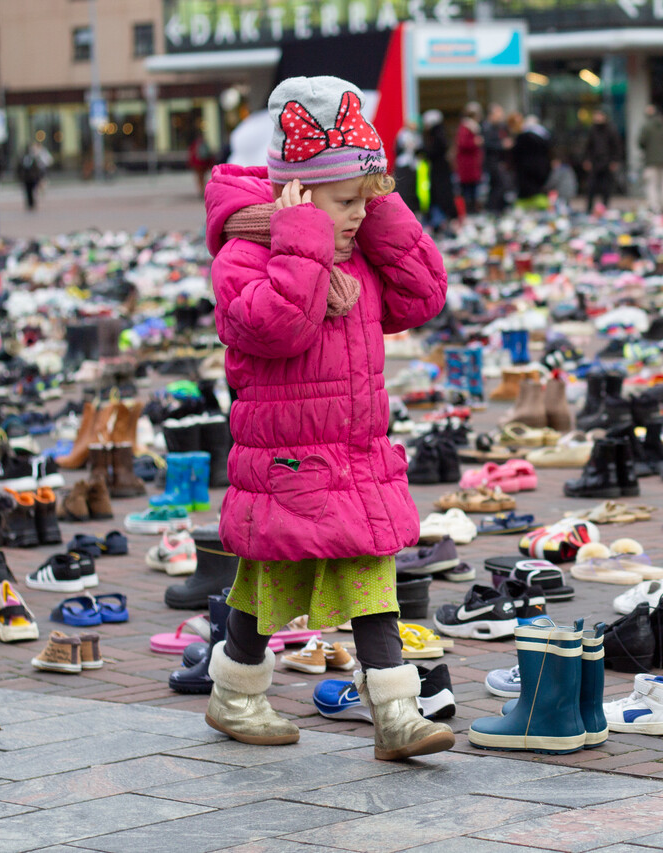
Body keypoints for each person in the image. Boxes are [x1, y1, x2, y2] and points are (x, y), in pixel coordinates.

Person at [202, 75, 452, 761]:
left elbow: (424, 294)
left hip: (356, 448)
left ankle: (395, 711)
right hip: (287, 458)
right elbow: (277, 325)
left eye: (361, 202)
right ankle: (237, 692)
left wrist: (384, 208)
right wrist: (303, 239)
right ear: (299, 193)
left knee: (373, 572)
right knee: (268, 576)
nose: (354, 217)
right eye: (344, 203)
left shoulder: (361, 250)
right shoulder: (245, 251)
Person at [421, 110, 456, 229]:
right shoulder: (441, 133)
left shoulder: (435, 135)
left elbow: (434, 151)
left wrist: (423, 152)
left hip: (438, 170)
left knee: (438, 194)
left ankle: (439, 220)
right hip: (441, 169)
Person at [582, 109, 622, 214]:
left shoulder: (611, 130)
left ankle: (604, 208)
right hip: (594, 162)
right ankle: (589, 208)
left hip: (607, 162)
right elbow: (588, 147)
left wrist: (614, 160)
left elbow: (616, 146)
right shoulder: (592, 130)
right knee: (591, 187)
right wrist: (587, 159)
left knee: (606, 187)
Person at [638, 105, 663, 213]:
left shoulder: (646, 127)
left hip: (651, 161)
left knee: (652, 185)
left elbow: (641, 142)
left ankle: (654, 207)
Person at [511, 114, 552, 208]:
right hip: (540, 168)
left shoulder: (521, 137)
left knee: (526, 190)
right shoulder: (544, 136)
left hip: (525, 168)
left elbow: (516, 153)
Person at [454, 102, 484, 213]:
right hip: (468, 166)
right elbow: (463, 143)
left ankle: (473, 210)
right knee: (469, 191)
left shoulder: (471, 127)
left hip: (472, 165)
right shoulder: (466, 128)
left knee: (473, 190)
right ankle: (470, 211)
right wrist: (475, 142)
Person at [482, 103, 510, 213]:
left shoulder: (497, 127)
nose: (501, 116)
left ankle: (498, 208)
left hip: (497, 160)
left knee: (497, 185)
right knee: (498, 184)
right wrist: (502, 145)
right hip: (492, 161)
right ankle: (494, 209)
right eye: (499, 113)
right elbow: (487, 144)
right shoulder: (487, 127)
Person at [393, 118, 421, 213]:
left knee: (411, 189)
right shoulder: (403, 135)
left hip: (412, 166)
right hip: (403, 165)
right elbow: (397, 150)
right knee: (403, 188)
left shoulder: (416, 136)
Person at [17, 141, 51, 211]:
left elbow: (39, 165)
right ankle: (30, 203)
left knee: (33, 190)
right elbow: (20, 168)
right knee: (28, 191)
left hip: (32, 177)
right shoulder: (24, 158)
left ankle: (32, 203)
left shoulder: (35, 156)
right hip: (26, 177)